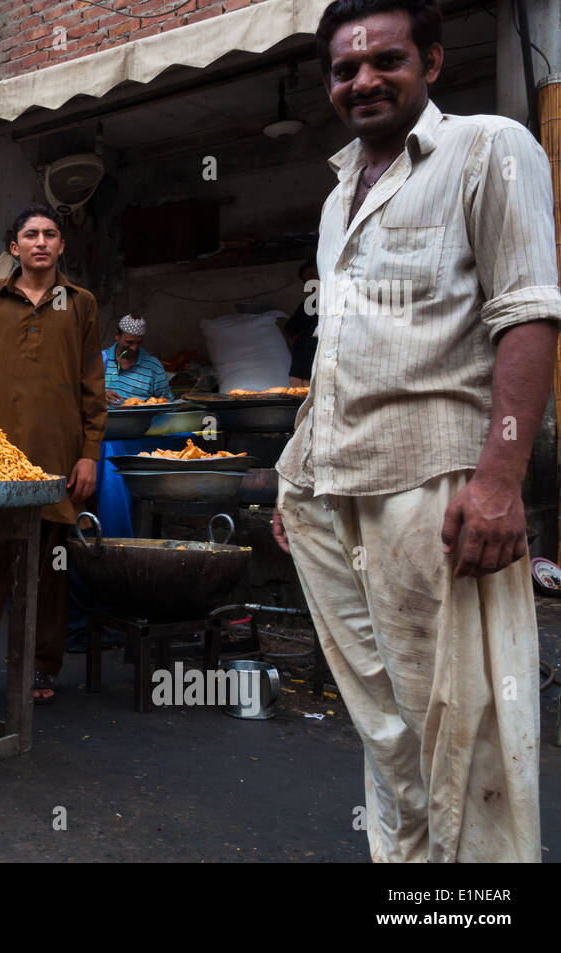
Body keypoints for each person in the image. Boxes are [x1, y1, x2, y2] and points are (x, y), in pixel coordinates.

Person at [272, 0, 560, 862]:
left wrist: (500, 481)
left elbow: (529, 313)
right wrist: (297, 471)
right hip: (332, 488)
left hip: (435, 486)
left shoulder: (489, 147)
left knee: (465, 730)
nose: (362, 80)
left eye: (384, 60)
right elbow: (339, 352)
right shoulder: (336, 197)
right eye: (345, 68)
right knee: (387, 732)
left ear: (430, 62)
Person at [0, 205, 104, 706]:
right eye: (30, 235)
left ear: (60, 245)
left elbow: (93, 387)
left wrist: (89, 455)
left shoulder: (80, 304)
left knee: (50, 569)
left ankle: (40, 666)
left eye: (49, 234)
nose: (40, 242)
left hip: (55, 459)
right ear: (14, 247)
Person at [103, 313, 171, 403]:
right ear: (117, 335)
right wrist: (100, 395)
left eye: (139, 343)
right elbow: (83, 394)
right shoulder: (100, 360)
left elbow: (166, 401)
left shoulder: (153, 366)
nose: (134, 348)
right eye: (129, 342)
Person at [284, 260, 320, 385]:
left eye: (312, 276)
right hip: (303, 371)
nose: (310, 283)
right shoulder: (308, 305)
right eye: (306, 281)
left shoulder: (343, 299)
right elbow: (289, 332)